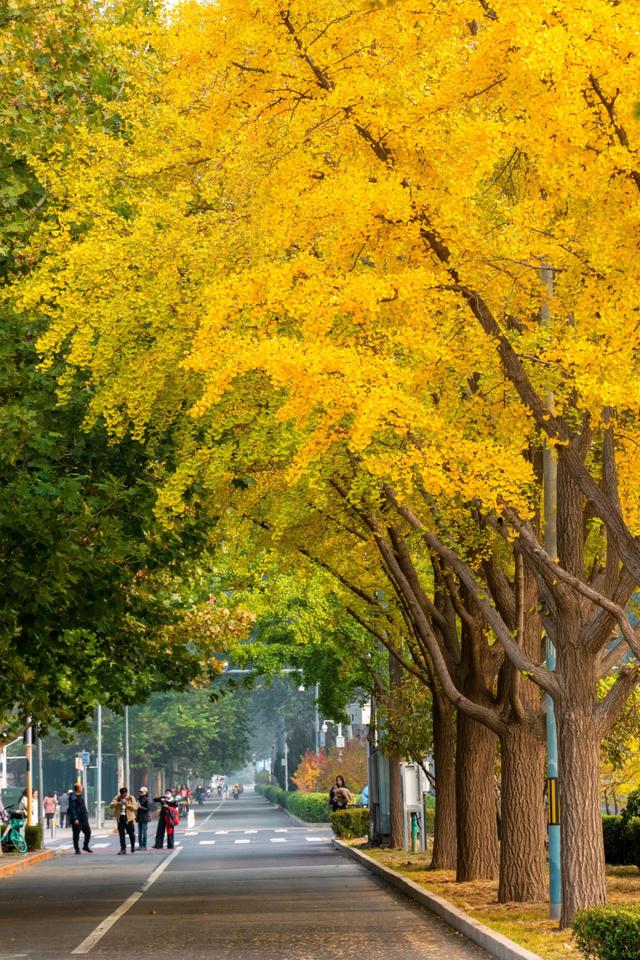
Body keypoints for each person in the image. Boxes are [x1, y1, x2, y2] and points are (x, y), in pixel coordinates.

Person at [111, 786, 138, 855]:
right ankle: (123, 849)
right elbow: (111, 805)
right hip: (120, 819)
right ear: (120, 794)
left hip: (129, 819)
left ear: (126, 793)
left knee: (131, 834)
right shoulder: (117, 798)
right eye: (122, 795)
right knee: (121, 835)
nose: (124, 796)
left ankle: (132, 846)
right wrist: (118, 803)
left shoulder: (131, 798)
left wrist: (127, 804)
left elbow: (135, 807)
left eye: (125, 794)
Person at [69, 783, 92, 854]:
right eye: (81, 787)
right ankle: (77, 849)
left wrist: (86, 815)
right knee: (76, 834)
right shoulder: (73, 797)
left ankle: (85, 846)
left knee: (88, 832)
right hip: (77, 819)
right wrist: (75, 818)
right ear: (78, 788)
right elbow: (72, 808)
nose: (82, 788)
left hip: (83, 818)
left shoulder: (80, 796)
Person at [136, 786, 151, 850]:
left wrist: (140, 807)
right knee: (139, 833)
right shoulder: (138, 798)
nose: (140, 792)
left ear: (145, 792)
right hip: (139, 817)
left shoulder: (147, 799)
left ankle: (144, 846)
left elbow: (148, 809)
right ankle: (140, 845)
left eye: (142, 792)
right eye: (140, 791)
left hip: (145, 817)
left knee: (144, 833)